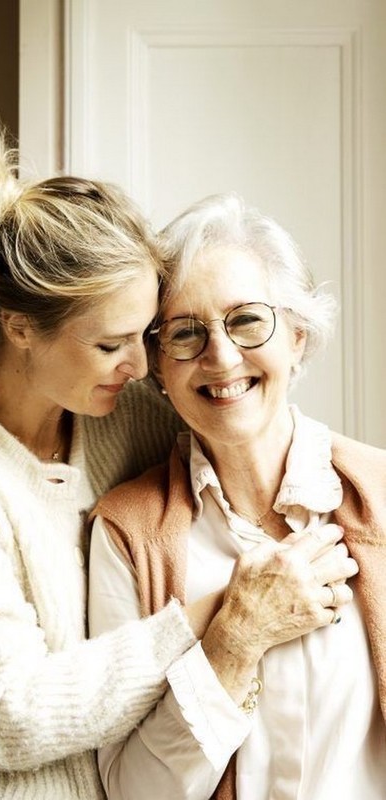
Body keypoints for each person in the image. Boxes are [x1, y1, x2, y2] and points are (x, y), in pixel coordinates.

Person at [0, 119, 356, 800]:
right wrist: (225, 616)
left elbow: (246, 430)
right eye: (110, 344)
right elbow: (2, 715)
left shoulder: (127, 416)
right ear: (20, 327)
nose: (142, 366)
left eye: (146, 335)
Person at [89, 192, 386, 799]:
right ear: (161, 372)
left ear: (298, 336)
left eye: (247, 320)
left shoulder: (383, 491)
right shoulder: (125, 533)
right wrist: (236, 638)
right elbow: (131, 793)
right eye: (185, 333)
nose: (220, 357)